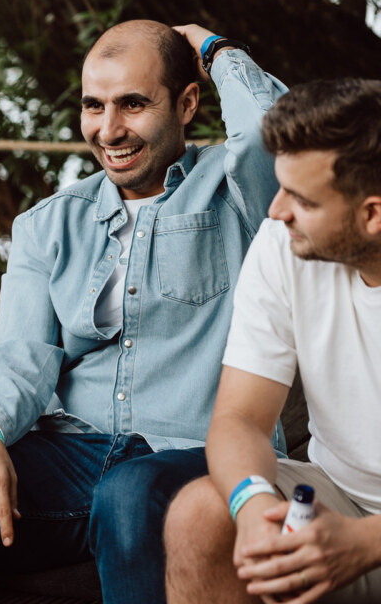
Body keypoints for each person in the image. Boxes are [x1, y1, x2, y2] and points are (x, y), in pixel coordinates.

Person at [0, 20, 288, 603]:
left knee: (128, 489)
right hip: (74, 455)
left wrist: (214, 50)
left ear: (187, 103)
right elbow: (21, 354)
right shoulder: (47, 223)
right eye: (95, 106)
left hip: (189, 454)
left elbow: (285, 139)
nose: (109, 129)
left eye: (134, 104)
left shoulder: (239, 195)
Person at [164, 79, 381, 604]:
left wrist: (366, 543)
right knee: (200, 515)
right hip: (341, 499)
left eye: (302, 199)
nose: (276, 210)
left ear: (373, 214)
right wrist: (254, 506)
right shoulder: (284, 244)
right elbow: (239, 418)